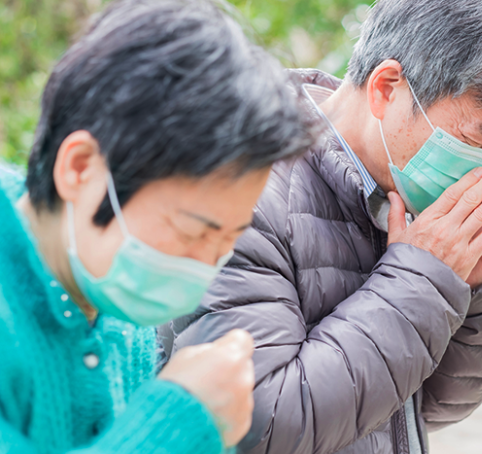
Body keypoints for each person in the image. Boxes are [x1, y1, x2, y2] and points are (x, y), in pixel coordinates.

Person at [163, 0, 482, 453]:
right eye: (475, 140)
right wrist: (424, 282)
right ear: (387, 88)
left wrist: (467, 288)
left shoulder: (410, 192)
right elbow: (259, 425)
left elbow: (434, 408)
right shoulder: (243, 187)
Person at [0, 0, 316, 453]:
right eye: (192, 232)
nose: (203, 269)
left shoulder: (114, 310)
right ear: (81, 168)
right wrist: (178, 422)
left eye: (227, 240)